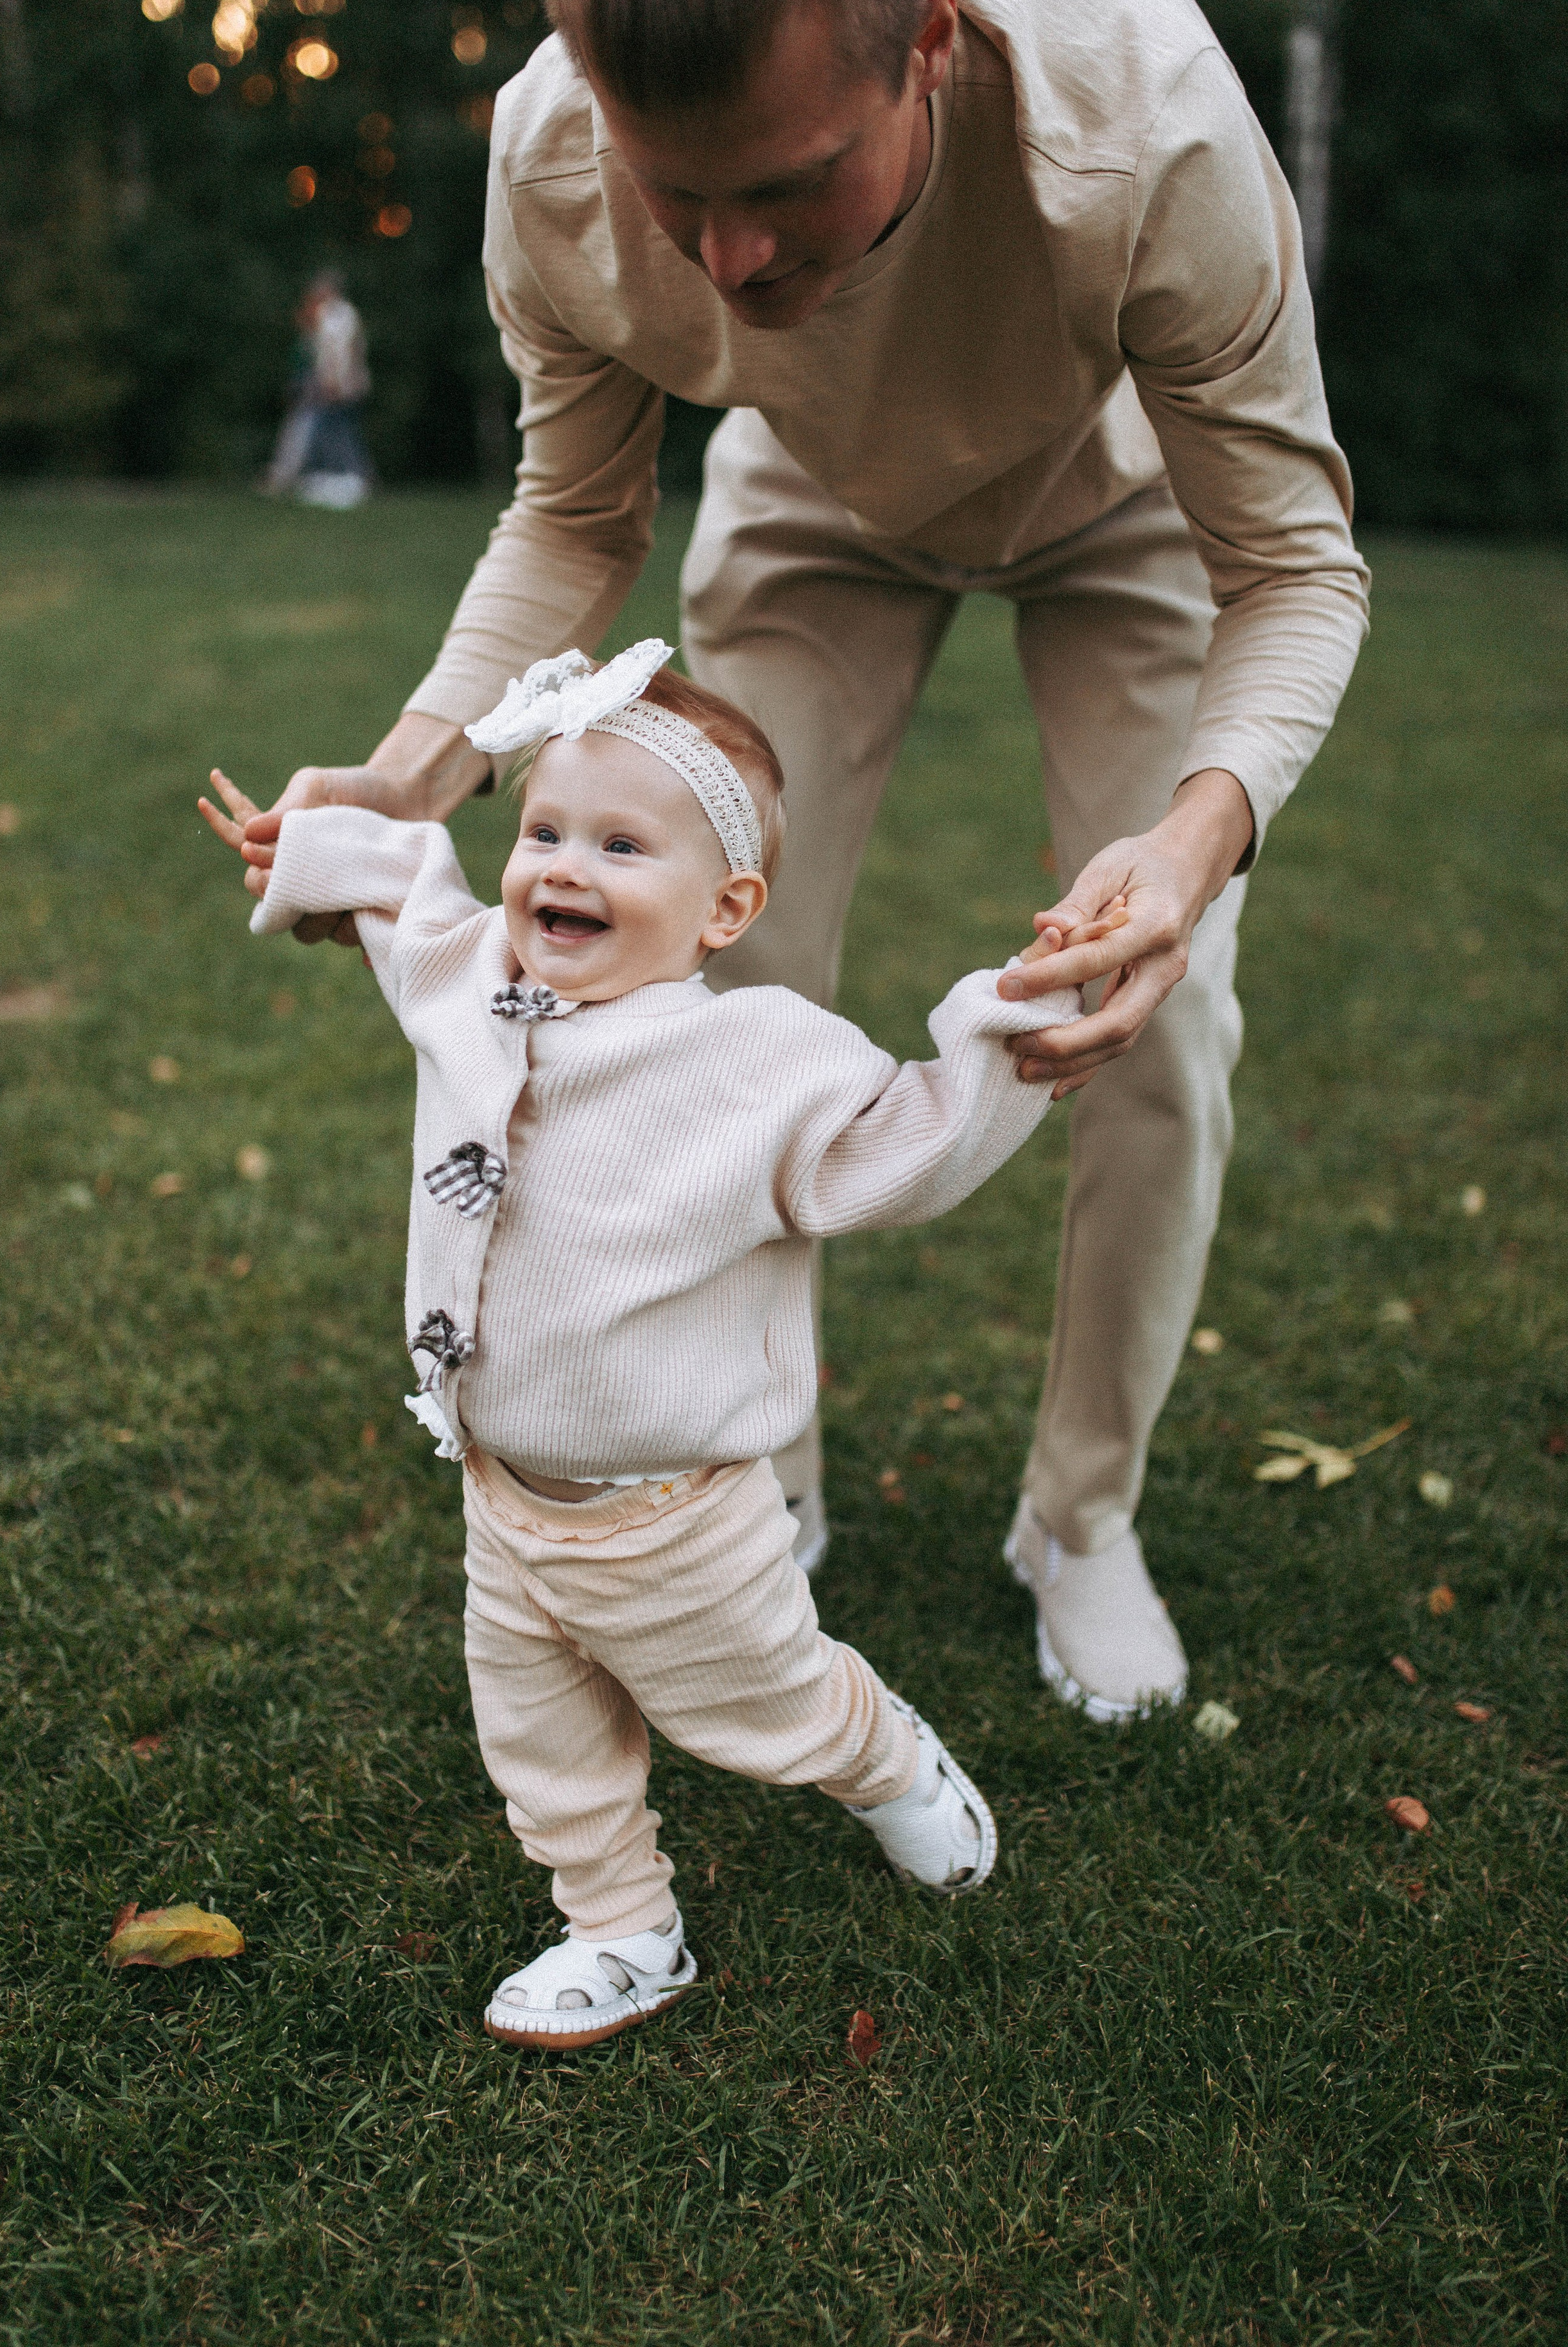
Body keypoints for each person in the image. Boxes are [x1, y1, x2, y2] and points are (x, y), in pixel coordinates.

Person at [232, 0, 1370, 1725]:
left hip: (1126, 501)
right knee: (702, 988)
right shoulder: (548, 153)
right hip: (809, 509)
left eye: (787, 183)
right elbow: (575, 519)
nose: (730, 258)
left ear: (926, 45)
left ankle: (1081, 1518)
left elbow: (1296, 565)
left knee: (1155, 1014)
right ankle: (751, 1483)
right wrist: (411, 771)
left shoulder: (1139, 109)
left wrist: (1192, 840)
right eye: (675, 194)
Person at [198, 639, 1103, 2052]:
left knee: (766, 1710)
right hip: (500, 1495)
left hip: (672, 1512)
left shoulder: (760, 1060)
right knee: (539, 1741)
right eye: (545, 833)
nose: (565, 868)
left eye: (622, 846)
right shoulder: (476, 978)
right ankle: (622, 1928)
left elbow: (908, 1142)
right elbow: (406, 893)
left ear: (725, 907)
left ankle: (880, 1756)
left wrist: (1009, 1031)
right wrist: (306, 848)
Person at [261, 271, 374, 508]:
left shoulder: (338, 314)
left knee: (336, 432)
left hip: (338, 387)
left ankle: (353, 479)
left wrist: (334, 382)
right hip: (335, 385)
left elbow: (340, 352)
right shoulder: (335, 313)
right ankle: (349, 478)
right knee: (336, 432)